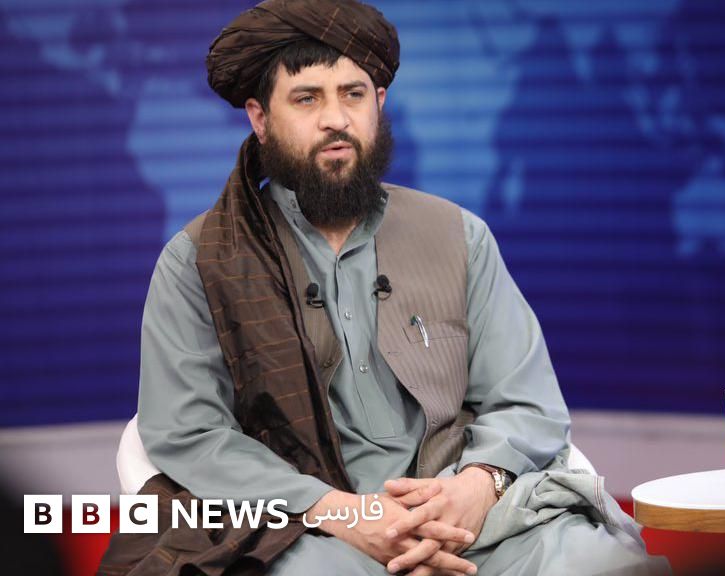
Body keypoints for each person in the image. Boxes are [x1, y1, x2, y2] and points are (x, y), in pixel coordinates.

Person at [99, 1, 671, 575]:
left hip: (472, 519)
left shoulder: (459, 235)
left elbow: (527, 401)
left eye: (353, 94)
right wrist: (343, 513)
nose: (336, 119)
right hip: (307, 526)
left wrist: (477, 488)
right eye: (307, 99)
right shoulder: (200, 260)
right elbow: (190, 432)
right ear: (260, 118)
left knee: (604, 564)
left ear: (379, 103)